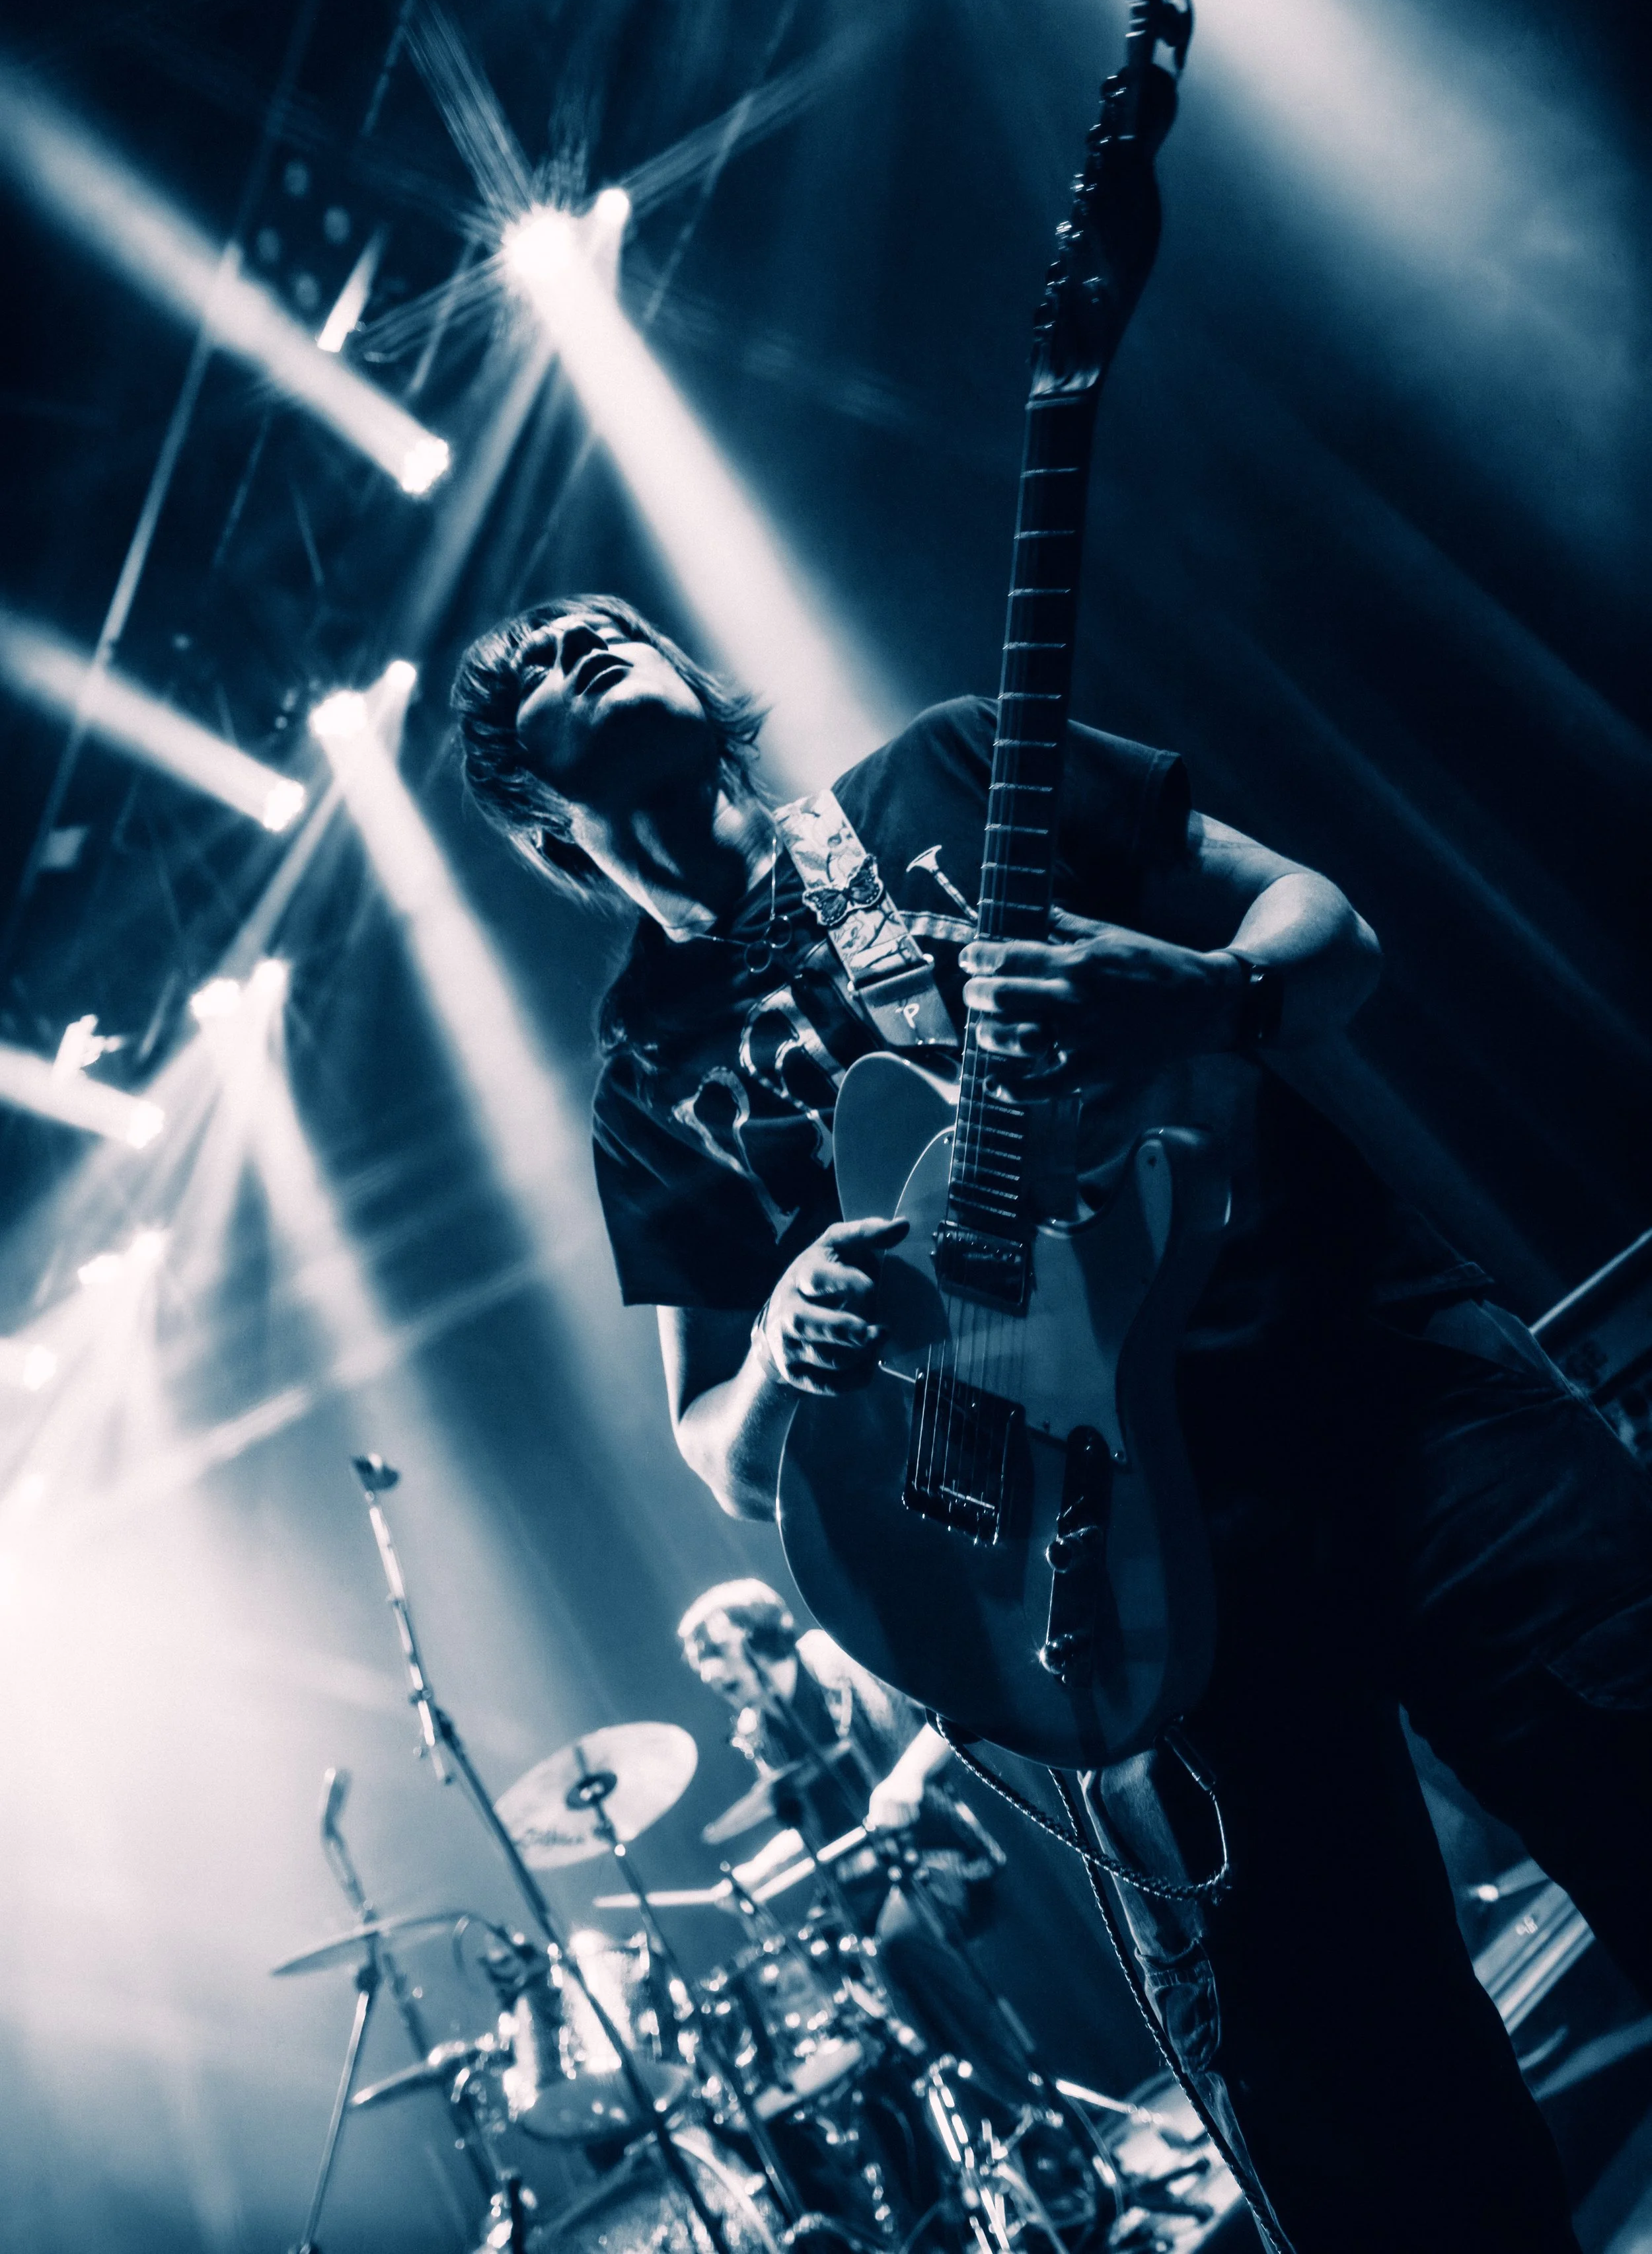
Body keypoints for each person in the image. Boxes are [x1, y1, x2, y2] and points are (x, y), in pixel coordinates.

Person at [451, 597, 1652, 2254]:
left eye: (604, 624)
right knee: (1386, 2136)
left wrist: (1212, 993)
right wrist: (790, 1348)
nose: (579, 641)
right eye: (534, 666)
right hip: (1119, 1578)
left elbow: (1333, 938)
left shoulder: (954, 770)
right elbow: (713, 1437)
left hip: (1378, 1387)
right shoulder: (650, 1079)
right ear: (530, 805)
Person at [675, 1577, 1022, 2102]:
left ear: (760, 1638)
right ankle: (971, 2126)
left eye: (715, 1650)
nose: (708, 1671)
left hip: (937, 1855)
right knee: (846, 1981)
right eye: (698, 1660)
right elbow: (812, 1826)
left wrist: (906, 1776)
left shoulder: (840, 1662)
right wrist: (756, 1873)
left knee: (900, 1944)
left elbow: (952, 1712)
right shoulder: (761, 1729)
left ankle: (1024, 2106)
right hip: (863, 1890)